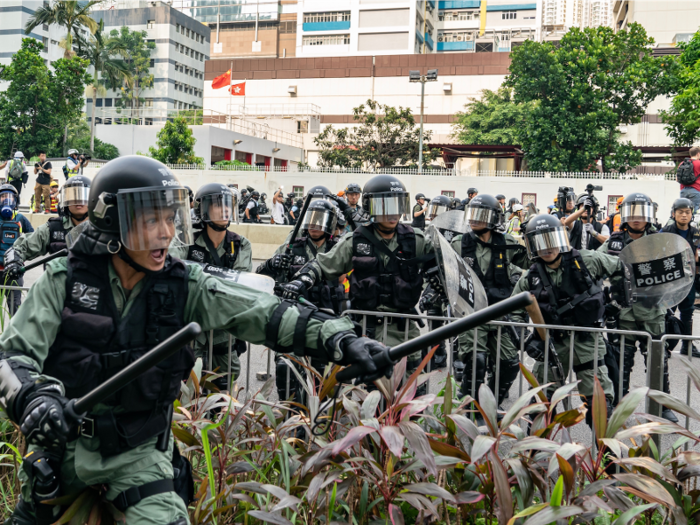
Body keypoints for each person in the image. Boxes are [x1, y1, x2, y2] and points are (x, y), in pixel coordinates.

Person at [0, 156, 392, 525]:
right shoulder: (62, 279)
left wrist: (340, 339)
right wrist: (35, 399)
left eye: (171, 219)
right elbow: (12, 357)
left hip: (137, 452)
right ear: (112, 223)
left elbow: (262, 311)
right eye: (152, 220)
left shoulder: (184, 283)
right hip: (61, 451)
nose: (167, 232)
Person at [285, 174, 435, 392]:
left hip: (405, 331)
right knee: (371, 396)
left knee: (411, 394)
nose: (393, 212)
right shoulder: (355, 240)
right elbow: (323, 264)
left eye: (398, 204)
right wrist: (301, 281)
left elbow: (442, 264)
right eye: (386, 204)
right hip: (367, 330)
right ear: (371, 206)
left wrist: (436, 288)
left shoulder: (417, 239)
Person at [513, 214, 630, 427]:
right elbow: (513, 311)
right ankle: (534, 456)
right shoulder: (530, 277)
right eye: (540, 242)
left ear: (561, 238)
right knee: (541, 405)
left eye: (550, 240)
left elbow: (622, 270)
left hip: (587, 343)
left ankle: (605, 457)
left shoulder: (587, 260)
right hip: (551, 345)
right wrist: (525, 340)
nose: (546, 248)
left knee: (599, 405)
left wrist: (615, 304)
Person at [598, 192, 677, 422]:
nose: (636, 218)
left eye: (642, 213)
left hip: (654, 310)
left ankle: (662, 405)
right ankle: (618, 404)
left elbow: (678, 271)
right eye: (632, 212)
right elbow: (594, 265)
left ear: (650, 216)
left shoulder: (661, 241)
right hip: (625, 312)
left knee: (657, 361)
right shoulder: (614, 242)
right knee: (621, 361)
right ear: (624, 215)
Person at [257, 199, 345, 401]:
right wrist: (273, 263)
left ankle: (318, 420)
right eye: (311, 219)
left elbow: (342, 276)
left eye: (320, 220)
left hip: (326, 318)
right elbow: (261, 273)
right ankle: (291, 417)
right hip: (293, 318)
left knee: (322, 374)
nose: (314, 224)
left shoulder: (337, 249)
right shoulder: (291, 246)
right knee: (286, 368)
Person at [170, 183, 252, 391]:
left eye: (228, 204)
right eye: (217, 205)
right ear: (202, 209)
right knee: (188, 387)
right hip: (192, 326)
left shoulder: (241, 244)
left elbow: (240, 285)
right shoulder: (186, 240)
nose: (225, 209)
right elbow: (173, 271)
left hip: (223, 328)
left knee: (225, 384)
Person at [450, 195, 528, 406]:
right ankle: (470, 406)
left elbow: (532, 267)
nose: (475, 219)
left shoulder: (509, 244)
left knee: (510, 363)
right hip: (471, 314)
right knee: (476, 361)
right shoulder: (458, 244)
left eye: (482, 215)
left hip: (500, 312)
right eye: (473, 214)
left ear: (494, 219)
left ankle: (490, 402)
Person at [7, 177, 91, 283]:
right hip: (57, 292)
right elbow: (22, 246)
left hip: (95, 293)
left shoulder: (104, 228)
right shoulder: (53, 228)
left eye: (83, 195)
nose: (78, 200)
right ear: (65, 200)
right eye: (73, 195)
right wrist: (14, 260)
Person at [661, 198, 700, 358]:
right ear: (673, 213)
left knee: (687, 312)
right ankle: (664, 344)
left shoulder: (696, 233)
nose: (684, 215)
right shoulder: (666, 231)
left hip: (689, 279)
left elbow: (697, 256)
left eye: (687, 212)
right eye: (680, 212)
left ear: (692, 214)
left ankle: (687, 344)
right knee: (667, 312)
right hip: (670, 279)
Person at [0, 184, 33, 315]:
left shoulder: (20, 219)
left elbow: (33, 238)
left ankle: (14, 335)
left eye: (9, 197)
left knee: (15, 309)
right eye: (2, 196)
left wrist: (21, 256)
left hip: (14, 272)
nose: (6, 199)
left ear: (16, 200)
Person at [679, 146, 700, 213]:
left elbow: (677, 179)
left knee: (683, 212)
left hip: (683, 190)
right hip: (696, 190)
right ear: (698, 154)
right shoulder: (699, 163)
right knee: (694, 212)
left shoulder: (682, 163)